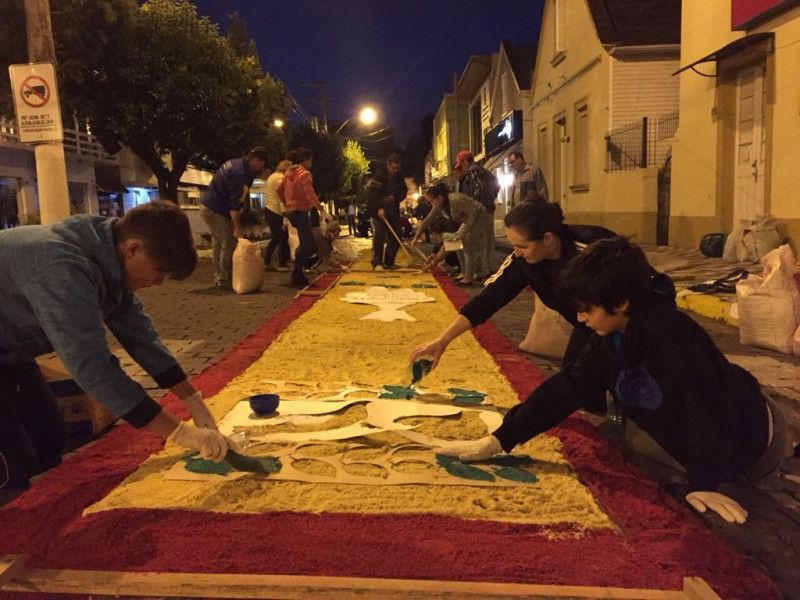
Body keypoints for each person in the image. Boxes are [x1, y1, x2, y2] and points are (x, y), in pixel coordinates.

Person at [437, 237, 792, 525]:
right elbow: (565, 390)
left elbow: (707, 406)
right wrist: (500, 438)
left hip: (754, 442)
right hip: (705, 423)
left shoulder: (672, 337)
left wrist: (703, 482)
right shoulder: (609, 338)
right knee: (624, 438)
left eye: (586, 309)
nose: (579, 318)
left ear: (620, 302)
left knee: (639, 453)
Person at [0, 202, 242, 493]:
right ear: (133, 248)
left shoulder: (105, 254)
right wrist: (181, 433)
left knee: (49, 435)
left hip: (12, 350)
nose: (159, 282)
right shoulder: (62, 266)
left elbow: (140, 335)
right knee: (11, 468)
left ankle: (42, 506)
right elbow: (92, 367)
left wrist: (193, 401)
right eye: (159, 271)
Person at [410, 201, 615, 408]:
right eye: (514, 246)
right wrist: (443, 341)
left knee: (628, 387)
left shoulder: (591, 252)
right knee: (577, 388)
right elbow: (488, 300)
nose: (516, 253)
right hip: (588, 326)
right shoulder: (523, 262)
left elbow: (635, 296)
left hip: (624, 324)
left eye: (522, 246)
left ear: (548, 239)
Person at [200, 147, 269, 290]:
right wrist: (238, 229)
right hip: (215, 210)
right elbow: (234, 204)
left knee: (218, 244)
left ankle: (220, 277)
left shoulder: (236, 164)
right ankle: (224, 279)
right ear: (255, 160)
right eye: (262, 163)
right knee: (229, 242)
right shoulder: (239, 173)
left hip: (210, 207)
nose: (262, 167)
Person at [412, 182, 490, 285]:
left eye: (432, 201)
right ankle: (464, 272)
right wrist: (416, 237)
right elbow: (427, 220)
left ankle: (469, 277)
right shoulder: (439, 205)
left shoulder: (454, 199)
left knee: (467, 244)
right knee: (457, 245)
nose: (431, 204)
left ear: (439, 197)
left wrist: (463, 231)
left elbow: (473, 213)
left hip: (479, 216)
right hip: (467, 220)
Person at [279, 147, 321, 289]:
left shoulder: (288, 173)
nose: (311, 163)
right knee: (307, 245)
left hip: (291, 211)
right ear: (306, 160)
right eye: (311, 160)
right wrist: (320, 208)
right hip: (300, 211)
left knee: (308, 244)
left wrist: (286, 203)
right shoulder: (305, 174)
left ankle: (299, 274)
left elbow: (279, 189)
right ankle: (296, 275)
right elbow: (309, 193)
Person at [453, 150, 499, 278]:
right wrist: (490, 199)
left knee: (479, 242)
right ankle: (488, 269)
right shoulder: (482, 170)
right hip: (488, 209)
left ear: (465, 161)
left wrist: (475, 207)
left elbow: (477, 190)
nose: (461, 167)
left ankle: (482, 271)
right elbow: (496, 184)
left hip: (480, 212)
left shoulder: (473, 171)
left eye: (461, 163)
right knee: (487, 241)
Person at [367, 153, 407, 270]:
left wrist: (394, 197)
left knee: (397, 235)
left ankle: (389, 262)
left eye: (397, 168)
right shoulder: (380, 175)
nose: (395, 170)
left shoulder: (399, 176)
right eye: (393, 167)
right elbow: (373, 193)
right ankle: (377, 262)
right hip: (378, 211)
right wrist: (379, 208)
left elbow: (403, 191)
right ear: (388, 165)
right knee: (379, 236)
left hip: (392, 210)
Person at [262, 159, 291, 272]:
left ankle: (267, 262)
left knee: (276, 237)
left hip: (270, 209)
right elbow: (281, 198)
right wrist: (285, 215)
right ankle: (281, 264)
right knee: (281, 237)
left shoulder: (272, 176)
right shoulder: (280, 179)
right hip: (275, 211)